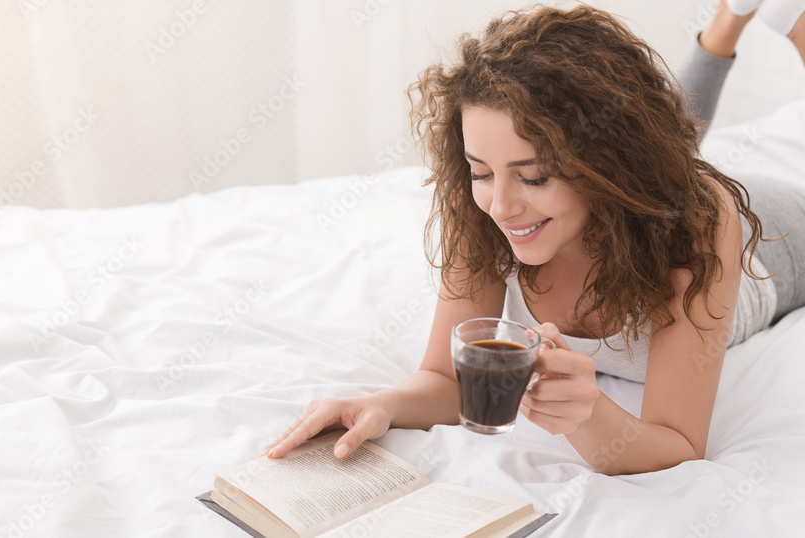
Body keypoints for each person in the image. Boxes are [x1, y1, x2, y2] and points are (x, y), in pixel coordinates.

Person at [265, 0, 805, 475]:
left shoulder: (699, 224)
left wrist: (587, 413)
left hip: (780, 242)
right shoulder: (483, 203)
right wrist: (382, 404)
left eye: (535, 176)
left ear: (605, 167)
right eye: (481, 171)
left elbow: (679, 444)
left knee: (669, 162)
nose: (500, 205)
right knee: (666, 147)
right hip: (638, 189)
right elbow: (446, 381)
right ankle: (728, 21)